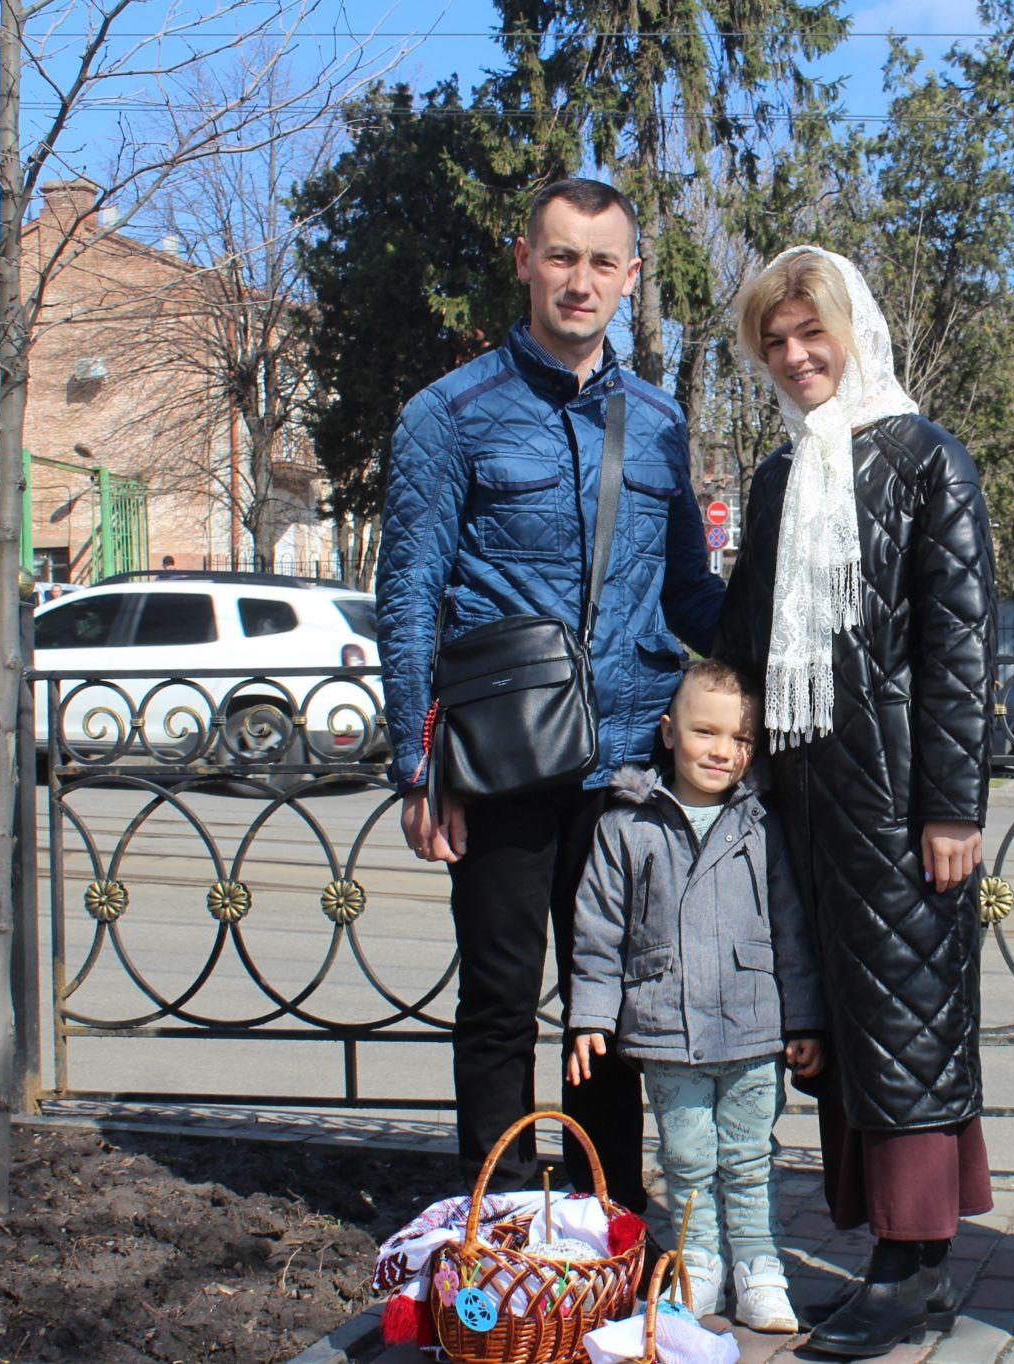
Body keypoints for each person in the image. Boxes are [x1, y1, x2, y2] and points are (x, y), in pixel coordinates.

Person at [375, 177, 724, 1206]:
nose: (580, 280)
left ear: (631, 276)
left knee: (606, 1006)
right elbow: (407, 593)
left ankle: (603, 1215)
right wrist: (413, 758)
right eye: (561, 256)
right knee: (494, 999)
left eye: (601, 261)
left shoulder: (658, 422)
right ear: (524, 258)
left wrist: (779, 639)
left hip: (623, 759)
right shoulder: (449, 414)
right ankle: (500, 1214)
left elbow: (687, 592)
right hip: (501, 756)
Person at [714, 246, 995, 1358]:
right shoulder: (783, 478)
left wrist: (952, 806)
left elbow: (959, 645)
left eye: (806, 334)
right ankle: (902, 1263)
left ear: (850, 329)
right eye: (771, 344)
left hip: (901, 801)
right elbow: (743, 630)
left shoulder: (926, 459)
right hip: (807, 797)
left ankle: (907, 1264)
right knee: (842, 1025)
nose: (792, 358)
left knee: (909, 1023)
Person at [564, 660, 825, 1330]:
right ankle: (697, 1260)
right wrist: (591, 1015)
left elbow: (791, 928)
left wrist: (805, 1019)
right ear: (669, 732)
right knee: (685, 1156)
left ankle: (760, 1266)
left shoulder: (763, 825)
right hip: (666, 1026)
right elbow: (597, 930)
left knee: (747, 1154)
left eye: (739, 739)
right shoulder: (629, 825)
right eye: (705, 731)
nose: (722, 750)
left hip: (753, 1027)